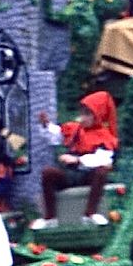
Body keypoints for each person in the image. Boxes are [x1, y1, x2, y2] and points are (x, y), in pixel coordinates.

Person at [30, 91, 118, 229]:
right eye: (82, 113)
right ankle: (49, 217)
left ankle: (91, 213)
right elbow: (57, 135)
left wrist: (77, 160)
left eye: (88, 114)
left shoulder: (105, 135)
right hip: (71, 174)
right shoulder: (76, 129)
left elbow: (102, 158)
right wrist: (46, 125)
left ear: (98, 115)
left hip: (89, 175)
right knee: (48, 173)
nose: (83, 118)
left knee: (102, 171)